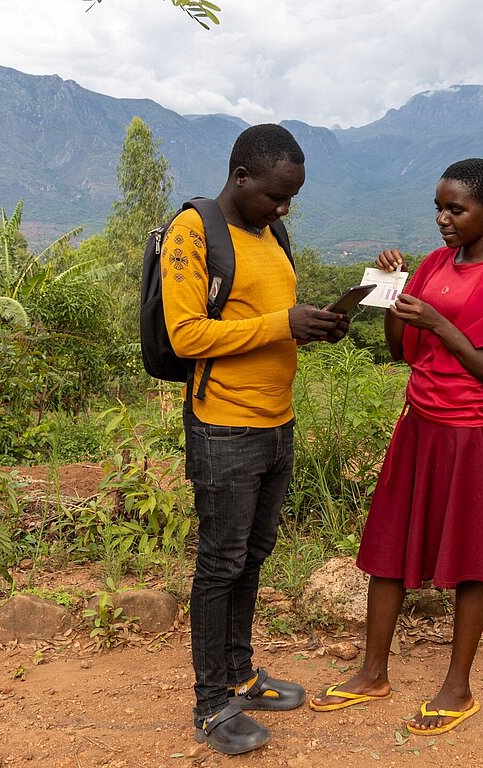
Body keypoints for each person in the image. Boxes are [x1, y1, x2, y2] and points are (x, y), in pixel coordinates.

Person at [310, 158, 483, 735]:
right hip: (418, 426)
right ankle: (373, 672)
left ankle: (457, 687)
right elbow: (400, 349)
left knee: (472, 562)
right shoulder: (436, 265)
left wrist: (442, 324)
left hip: (471, 436)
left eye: (456, 209)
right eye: (438, 207)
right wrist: (394, 289)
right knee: (388, 548)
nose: (443, 219)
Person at [161, 124, 348, 755]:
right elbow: (187, 335)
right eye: (275, 195)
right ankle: (211, 704)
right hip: (224, 427)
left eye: (291, 197)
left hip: (276, 422)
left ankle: (240, 672)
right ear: (241, 177)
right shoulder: (193, 232)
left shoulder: (273, 234)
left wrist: (312, 327)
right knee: (219, 564)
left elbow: (264, 324)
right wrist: (281, 323)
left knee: (251, 556)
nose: (283, 208)